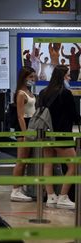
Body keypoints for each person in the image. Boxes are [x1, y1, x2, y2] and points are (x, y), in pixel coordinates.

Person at [40, 65, 79, 209]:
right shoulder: (66, 93)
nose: (69, 78)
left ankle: (51, 196)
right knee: (74, 165)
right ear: (63, 77)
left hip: (46, 134)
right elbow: (74, 115)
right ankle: (63, 196)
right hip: (62, 134)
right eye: (68, 75)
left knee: (48, 163)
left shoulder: (44, 93)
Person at [10, 66, 36, 202]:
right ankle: (15, 190)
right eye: (31, 77)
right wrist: (25, 134)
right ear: (24, 77)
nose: (33, 79)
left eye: (34, 76)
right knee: (21, 160)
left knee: (25, 161)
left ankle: (19, 188)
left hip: (31, 127)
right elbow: (20, 116)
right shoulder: (21, 93)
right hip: (24, 129)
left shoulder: (29, 92)